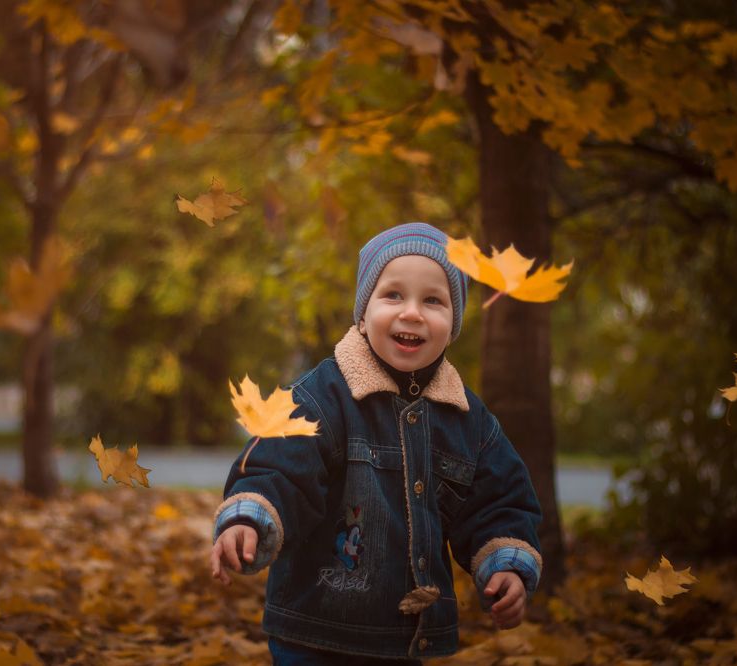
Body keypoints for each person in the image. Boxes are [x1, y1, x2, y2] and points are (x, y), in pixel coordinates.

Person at [210, 222, 543, 664]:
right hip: (316, 629)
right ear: (363, 314)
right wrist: (249, 519)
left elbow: (498, 501)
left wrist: (506, 565)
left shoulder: (469, 421)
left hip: (407, 639)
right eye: (393, 295)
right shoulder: (322, 396)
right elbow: (279, 467)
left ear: (453, 325)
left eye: (433, 301)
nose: (412, 312)